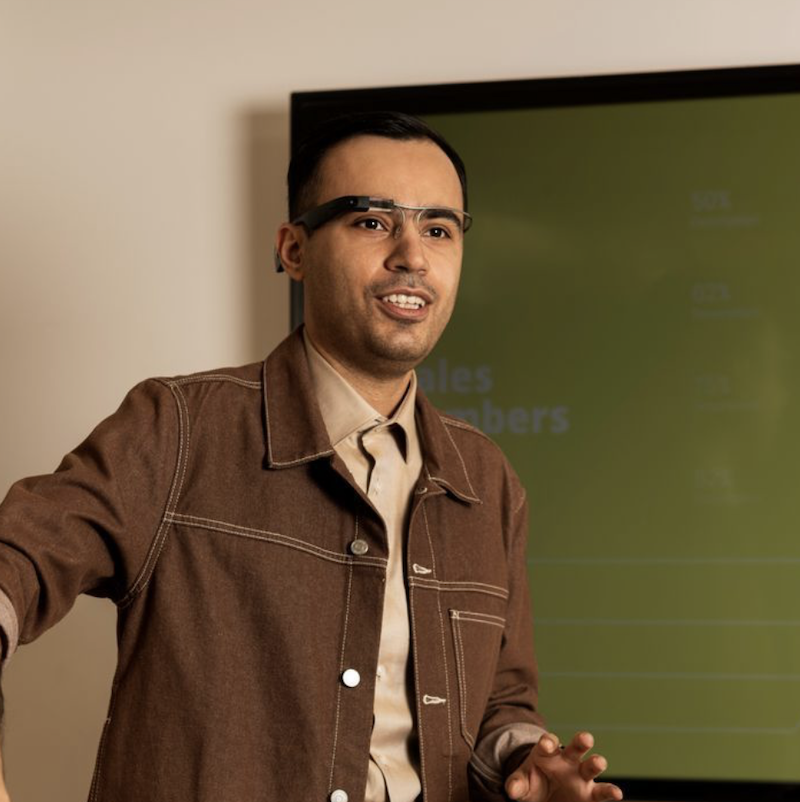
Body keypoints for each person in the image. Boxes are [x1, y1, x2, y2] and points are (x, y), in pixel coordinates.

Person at [0, 111, 622, 802]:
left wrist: (522, 766)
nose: (412, 254)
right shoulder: (177, 428)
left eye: (439, 228)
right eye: (373, 221)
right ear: (293, 250)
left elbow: (502, 701)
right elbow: (17, 560)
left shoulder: (487, 480)